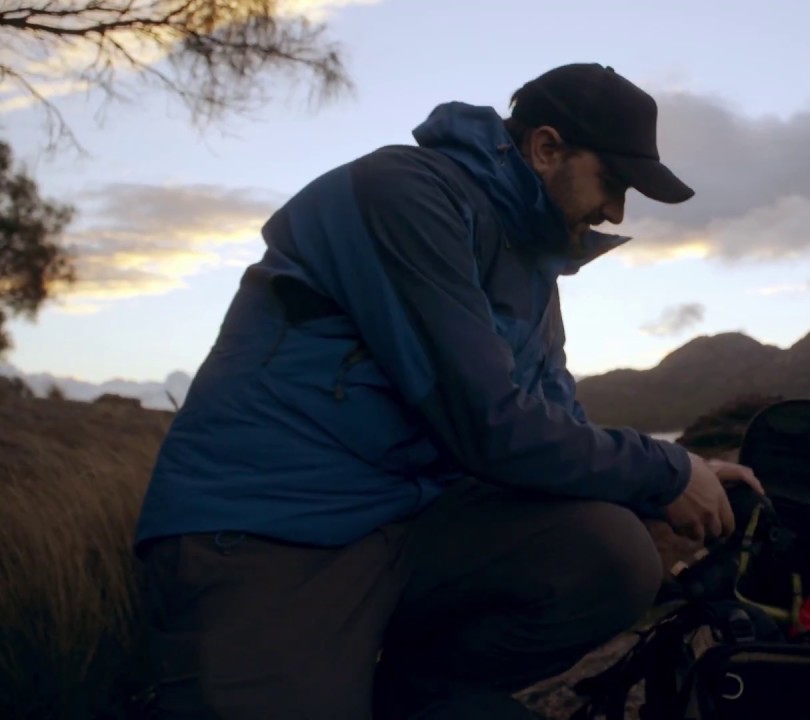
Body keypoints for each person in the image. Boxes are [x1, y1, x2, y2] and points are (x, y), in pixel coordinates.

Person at [132, 62, 765, 719]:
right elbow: (490, 427)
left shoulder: (535, 272)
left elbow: (554, 424)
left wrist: (683, 479)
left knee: (609, 551)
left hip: (408, 522)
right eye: (613, 182)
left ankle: (422, 695)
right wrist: (662, 470)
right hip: (272, 527)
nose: (614, 211)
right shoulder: (404, 194)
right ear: (546, 148)